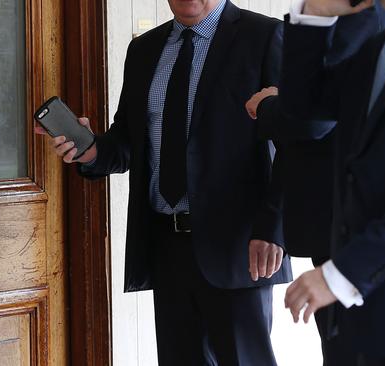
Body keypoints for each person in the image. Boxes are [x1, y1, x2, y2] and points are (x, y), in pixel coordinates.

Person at [36, 1, 292, 364]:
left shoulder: (264, 37)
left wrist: (273, 228)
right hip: (166, 247)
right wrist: (90, 149)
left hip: (238, 249)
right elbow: (127, 141)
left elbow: (292, 145)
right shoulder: (144, 50)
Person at [250, 0, 385, 364]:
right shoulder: (379, 48)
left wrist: (340, 275)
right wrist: (313, 14)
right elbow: (304, 108)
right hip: (356, 324)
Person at [244, 6, 385, 366]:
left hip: (353, 228)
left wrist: (266, 106)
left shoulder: (364, 16)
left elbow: (313, 119)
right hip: (338, 223)